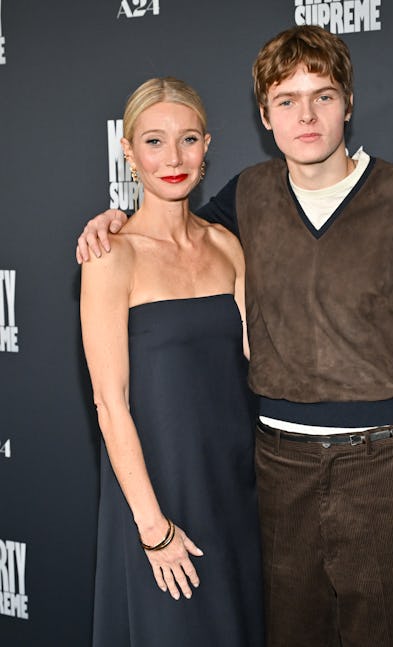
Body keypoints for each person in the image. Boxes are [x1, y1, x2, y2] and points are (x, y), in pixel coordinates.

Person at [75, 26, 393, 647]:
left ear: (348, 103)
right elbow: (168, 231)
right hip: (272, 470)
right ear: (264, 115)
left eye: (322, 96)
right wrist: (112, 218)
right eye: (286, 100)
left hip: (371, 464)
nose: (305, 116)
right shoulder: (247, 199)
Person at [80, 77, 265, 647]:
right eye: (154, 141)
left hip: (235, 488)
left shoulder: (227, 246)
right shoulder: (111, 256)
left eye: (188, 139)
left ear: (206, 146)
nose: (174, 158)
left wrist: (377, 341)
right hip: (158, 494)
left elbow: (266, 357)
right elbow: (109, 403)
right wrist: (153, 529)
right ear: (129, 152)